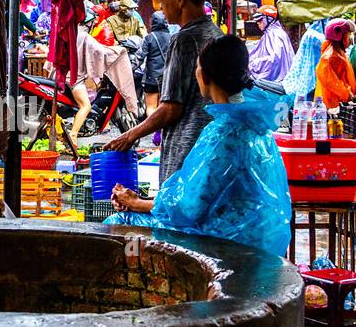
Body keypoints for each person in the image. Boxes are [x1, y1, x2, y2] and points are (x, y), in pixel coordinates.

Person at [105, 34, 292, 258]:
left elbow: (186, 209)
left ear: (203, 75)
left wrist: (136, 203)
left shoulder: (224, 133)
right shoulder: (255, 125)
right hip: (260, 239)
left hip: (225, 242)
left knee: (119, 223)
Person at [105, 0, 221, 182]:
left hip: (186, 154)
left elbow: (170, 109)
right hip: (209, 152)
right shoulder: (216, 34)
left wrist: (131, 135)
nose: (159, 6)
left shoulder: (185, 40)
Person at [246, 2, 294, 84]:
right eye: (257, 21)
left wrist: (253, 64)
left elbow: (274, 59)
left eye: (260, 20)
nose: (258, 23)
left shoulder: (274, 35)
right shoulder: (272, 33)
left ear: (268, 19)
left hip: (276, 81)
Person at [316, 17, 356, 109]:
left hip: (339, 104)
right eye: (347, 34)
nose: (349, 38)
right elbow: (332, 83)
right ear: (338, 35)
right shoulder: (329, 57)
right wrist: (347, 94)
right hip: (332, 106)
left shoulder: (339, 53)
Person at [138, 10, 170, 115]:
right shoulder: (172, 37)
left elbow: (141, 57)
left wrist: (131, 68)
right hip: (167, 78)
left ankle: (155, 130)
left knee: (151, 107)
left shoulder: (149, 37)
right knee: (163, 107)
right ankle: (161, 130)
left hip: (152, 78)